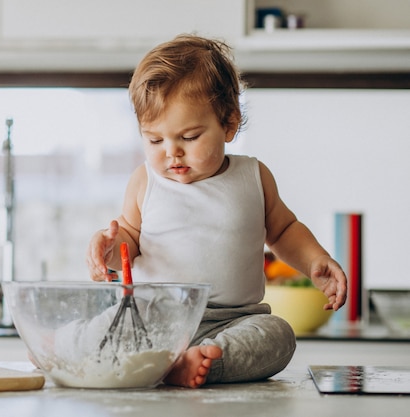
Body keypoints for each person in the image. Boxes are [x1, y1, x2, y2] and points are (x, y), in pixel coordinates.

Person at [86, 34, 348, 388]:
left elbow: (284, 230)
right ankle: (67, 349)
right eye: (155, 140)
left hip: (233, 321)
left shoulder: (253, 176)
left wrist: (315, 260)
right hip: (156, 316)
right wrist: (109, 250)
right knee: (101, 325)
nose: (171, 152)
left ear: (229, 123)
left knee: (278, 335)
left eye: (189, 137)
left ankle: (193, 363)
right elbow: (130, 241)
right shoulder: (145, 181)